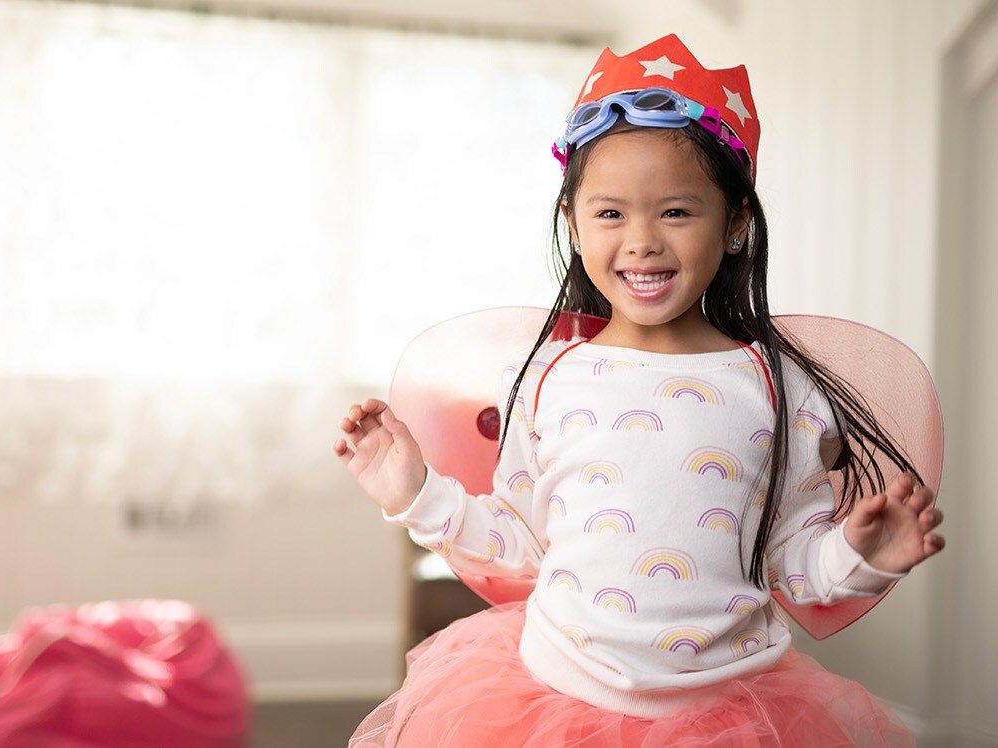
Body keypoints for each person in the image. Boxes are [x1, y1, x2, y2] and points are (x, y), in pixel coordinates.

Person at [332, 34, 946, 747]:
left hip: (734, 717)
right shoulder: (547, 378)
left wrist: (861, 558)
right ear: (573, 224)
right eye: (611, 213)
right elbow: (521, 544)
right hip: (554, 702)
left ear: (736, 224)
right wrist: (415, 493)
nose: (643, 240)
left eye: (676, 212)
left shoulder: (784, 391)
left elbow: (792, 565)